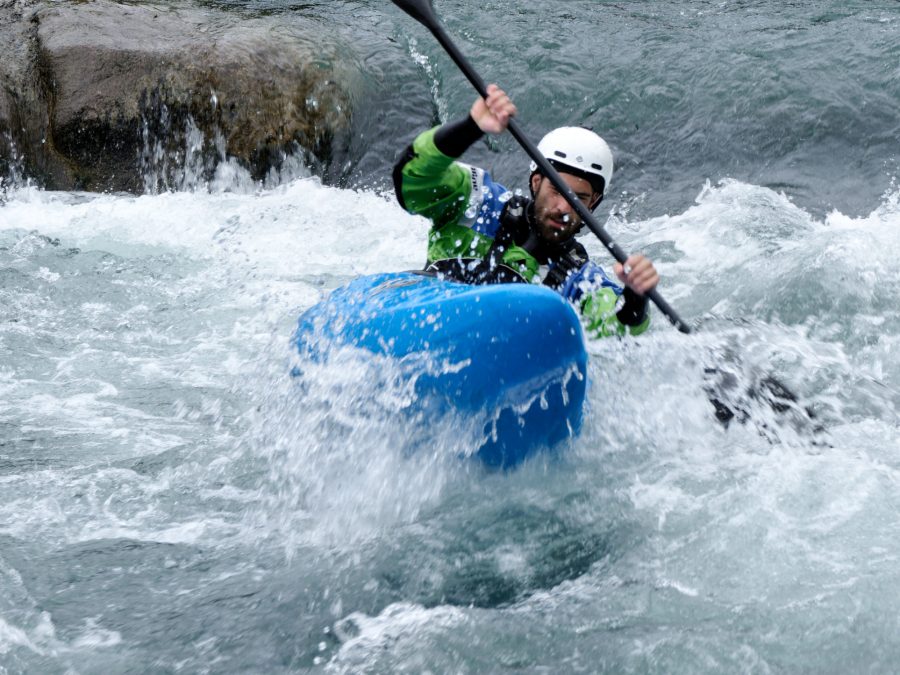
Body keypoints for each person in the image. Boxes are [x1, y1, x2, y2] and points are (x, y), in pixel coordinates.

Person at [392, 84, 659, 338]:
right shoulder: (477, 204)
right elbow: (414, 180)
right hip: (426, 317)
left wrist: (636, 294)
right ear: (536, 182)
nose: (564, 208)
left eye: (579, 198)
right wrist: (470, 128)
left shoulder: (580, 280)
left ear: (594, 203)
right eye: (557, 190)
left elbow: (616, 328)